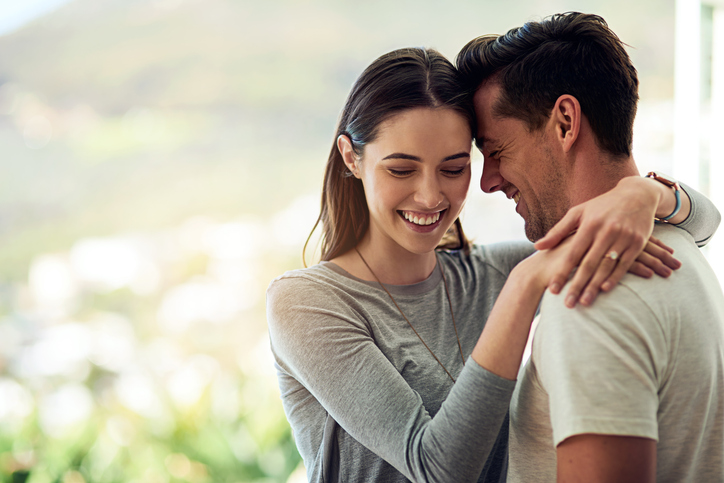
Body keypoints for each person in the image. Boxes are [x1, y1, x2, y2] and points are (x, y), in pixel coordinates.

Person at [266, 47, 718, 483]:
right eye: (401, 170)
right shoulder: (306, 303)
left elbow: (705, 225)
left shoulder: (493, 271)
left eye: (454, 167)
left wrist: (645, 193)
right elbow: (435, 469)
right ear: (352, 157)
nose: (430, 196)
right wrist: (524, 285)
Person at [457, 12, 724, 482]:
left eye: (497, 151)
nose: (488, 181)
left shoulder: (589, 297)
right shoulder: (678, 242)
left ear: (564, 122)